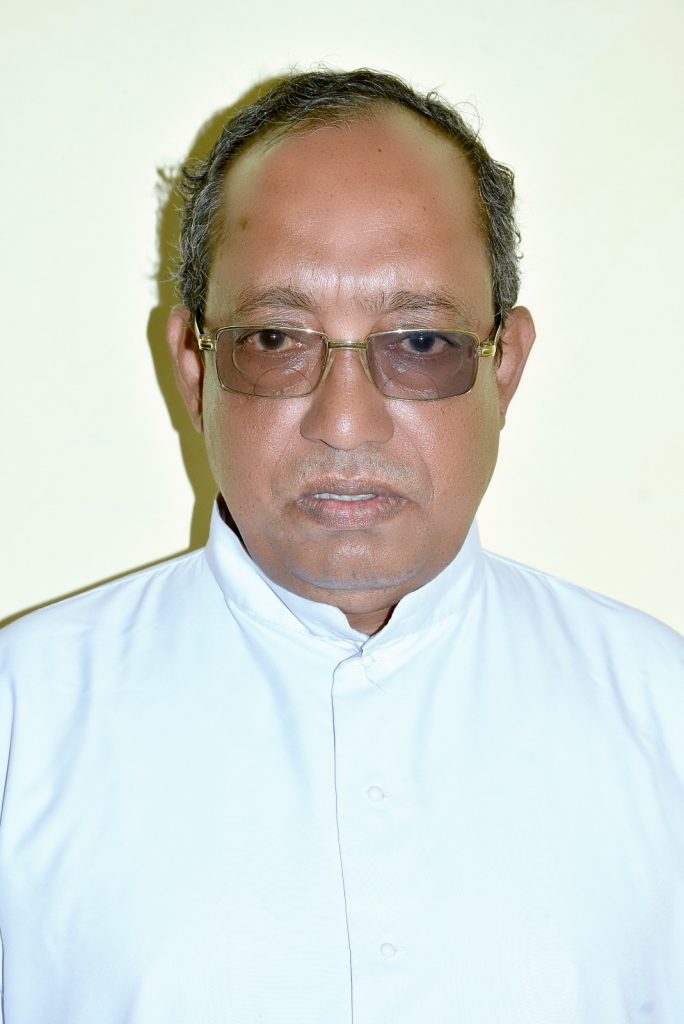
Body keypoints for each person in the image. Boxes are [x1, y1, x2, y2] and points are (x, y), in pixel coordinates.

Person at [0, 68, 682, 1024]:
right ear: (195, 368)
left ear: (506, 368)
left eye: (421, 343)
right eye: (276, 340)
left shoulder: (662, 716)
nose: (347, 422)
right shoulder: (23, 722)